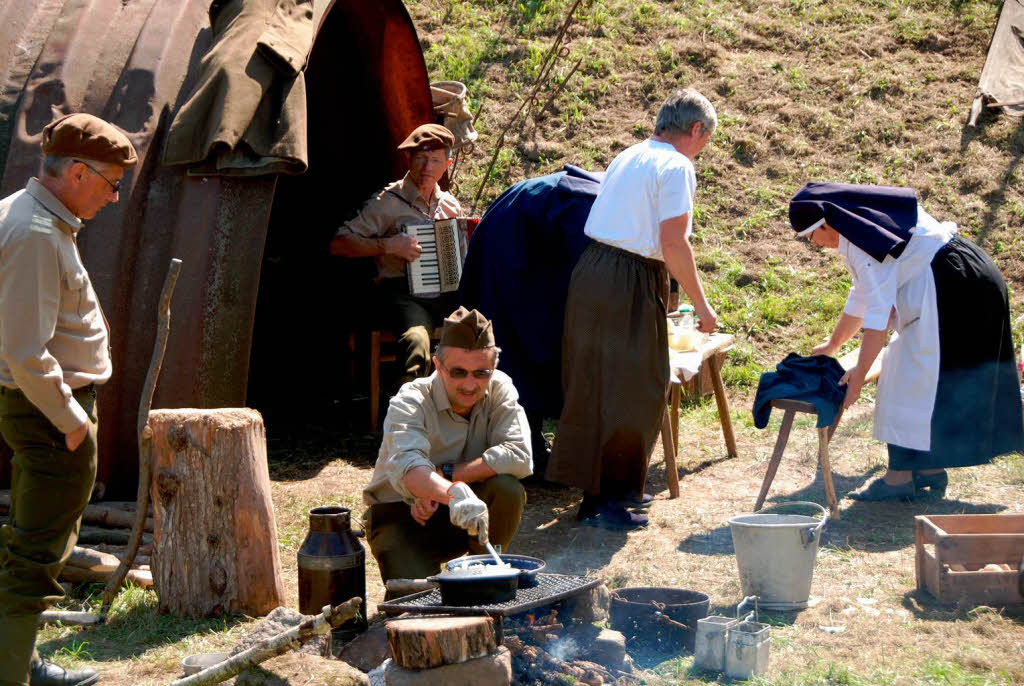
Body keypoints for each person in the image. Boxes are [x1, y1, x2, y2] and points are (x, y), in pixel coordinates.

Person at [0, 113, 137, 686]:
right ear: (77, 172)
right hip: (49, 411)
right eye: (110, 183)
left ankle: (20, 658)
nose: (113, 196)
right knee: (38, 549)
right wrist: (72, 420)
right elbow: (25, 349)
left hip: (45, 409)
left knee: (33, 534)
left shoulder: (31, 216)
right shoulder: (33, 234)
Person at [547, 90, 719, 529]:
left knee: (592, 379)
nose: (703, 150)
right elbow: (674, 242)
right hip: (629, 276)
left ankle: (595, 493)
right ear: (696, 129)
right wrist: (703, 306)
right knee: (637, 384)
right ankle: (612, 499)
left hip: (591, 269)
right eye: (706, 139)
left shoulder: (630, 154)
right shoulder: (677, 165)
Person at [791, 182, 1024, 501]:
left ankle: (899, 479)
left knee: (905, 378)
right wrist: (833, 344)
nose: (813, 244)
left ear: (827, 224)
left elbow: (877, 317)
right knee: (919, 381)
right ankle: (926, 471)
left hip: (957, 290)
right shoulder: (860, 232)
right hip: (965, 280)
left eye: (810, 237)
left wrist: (858, 377)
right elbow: (863, 294)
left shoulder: (861, 239)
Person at [362, 307, 532, 583]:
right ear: (438, 366)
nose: (470, 384)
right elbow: (409, 469)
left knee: (507, 489)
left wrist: (446, 477)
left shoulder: (500, 389)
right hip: (402, 517)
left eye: (481, 373)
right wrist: (451, 494)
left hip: (465, 515)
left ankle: (483, 575)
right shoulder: (411, 400)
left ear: (494, 367)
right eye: (458, 372)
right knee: (418, 601)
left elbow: (519, 455)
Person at [331, 124, 462, 386]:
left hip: (448, 293)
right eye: (421, 159)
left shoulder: (450, 204)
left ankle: (466, 414)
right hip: (403, 294)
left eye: (435, 160)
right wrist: (388, 246)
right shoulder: (388, 202)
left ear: (446, 164)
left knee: (484, 327)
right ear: (409, 159)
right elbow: (338, 243)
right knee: (416, 341)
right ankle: (406, 418)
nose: (427, 167)